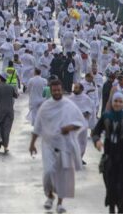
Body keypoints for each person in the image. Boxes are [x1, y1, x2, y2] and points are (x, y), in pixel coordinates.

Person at [29, 79, 87, 213]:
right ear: (51, 91)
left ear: (62, 90)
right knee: (48, 172)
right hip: (48, 144)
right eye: (54, 90)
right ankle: (49, 196)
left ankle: (60, 203)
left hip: (64, 145)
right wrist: (32, 144)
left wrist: (69, 127)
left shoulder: (69, 105)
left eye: (58, 90)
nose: (56, 92)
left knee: (63, 176)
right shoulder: (46, 106)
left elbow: (80, 123)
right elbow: (38, 126)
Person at [91, 92, 123, 214]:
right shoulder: (106, 116)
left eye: (120, 102)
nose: (117, 104)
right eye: (115, 101)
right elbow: (95, 132)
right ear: (112, 102)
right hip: (110, 156)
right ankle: (112, 207)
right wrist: (97, 141)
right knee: (111, 186)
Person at [0, 72, 18, 154]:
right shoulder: (11, 87)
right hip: (9, 111)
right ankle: (5, 147)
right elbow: (16, 96)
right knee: (7, 129)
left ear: (0, 79)